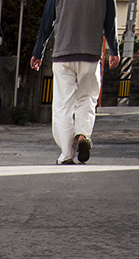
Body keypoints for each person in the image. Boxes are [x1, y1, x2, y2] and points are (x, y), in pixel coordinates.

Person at [30, 0, 119, 164]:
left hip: (63, 55)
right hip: (90, 55)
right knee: (87, 98)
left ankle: (67, 154)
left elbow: (47, 20)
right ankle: (82, 136)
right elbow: (110, 21)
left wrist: (38, 52)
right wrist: (114, 50)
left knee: (63, 105)